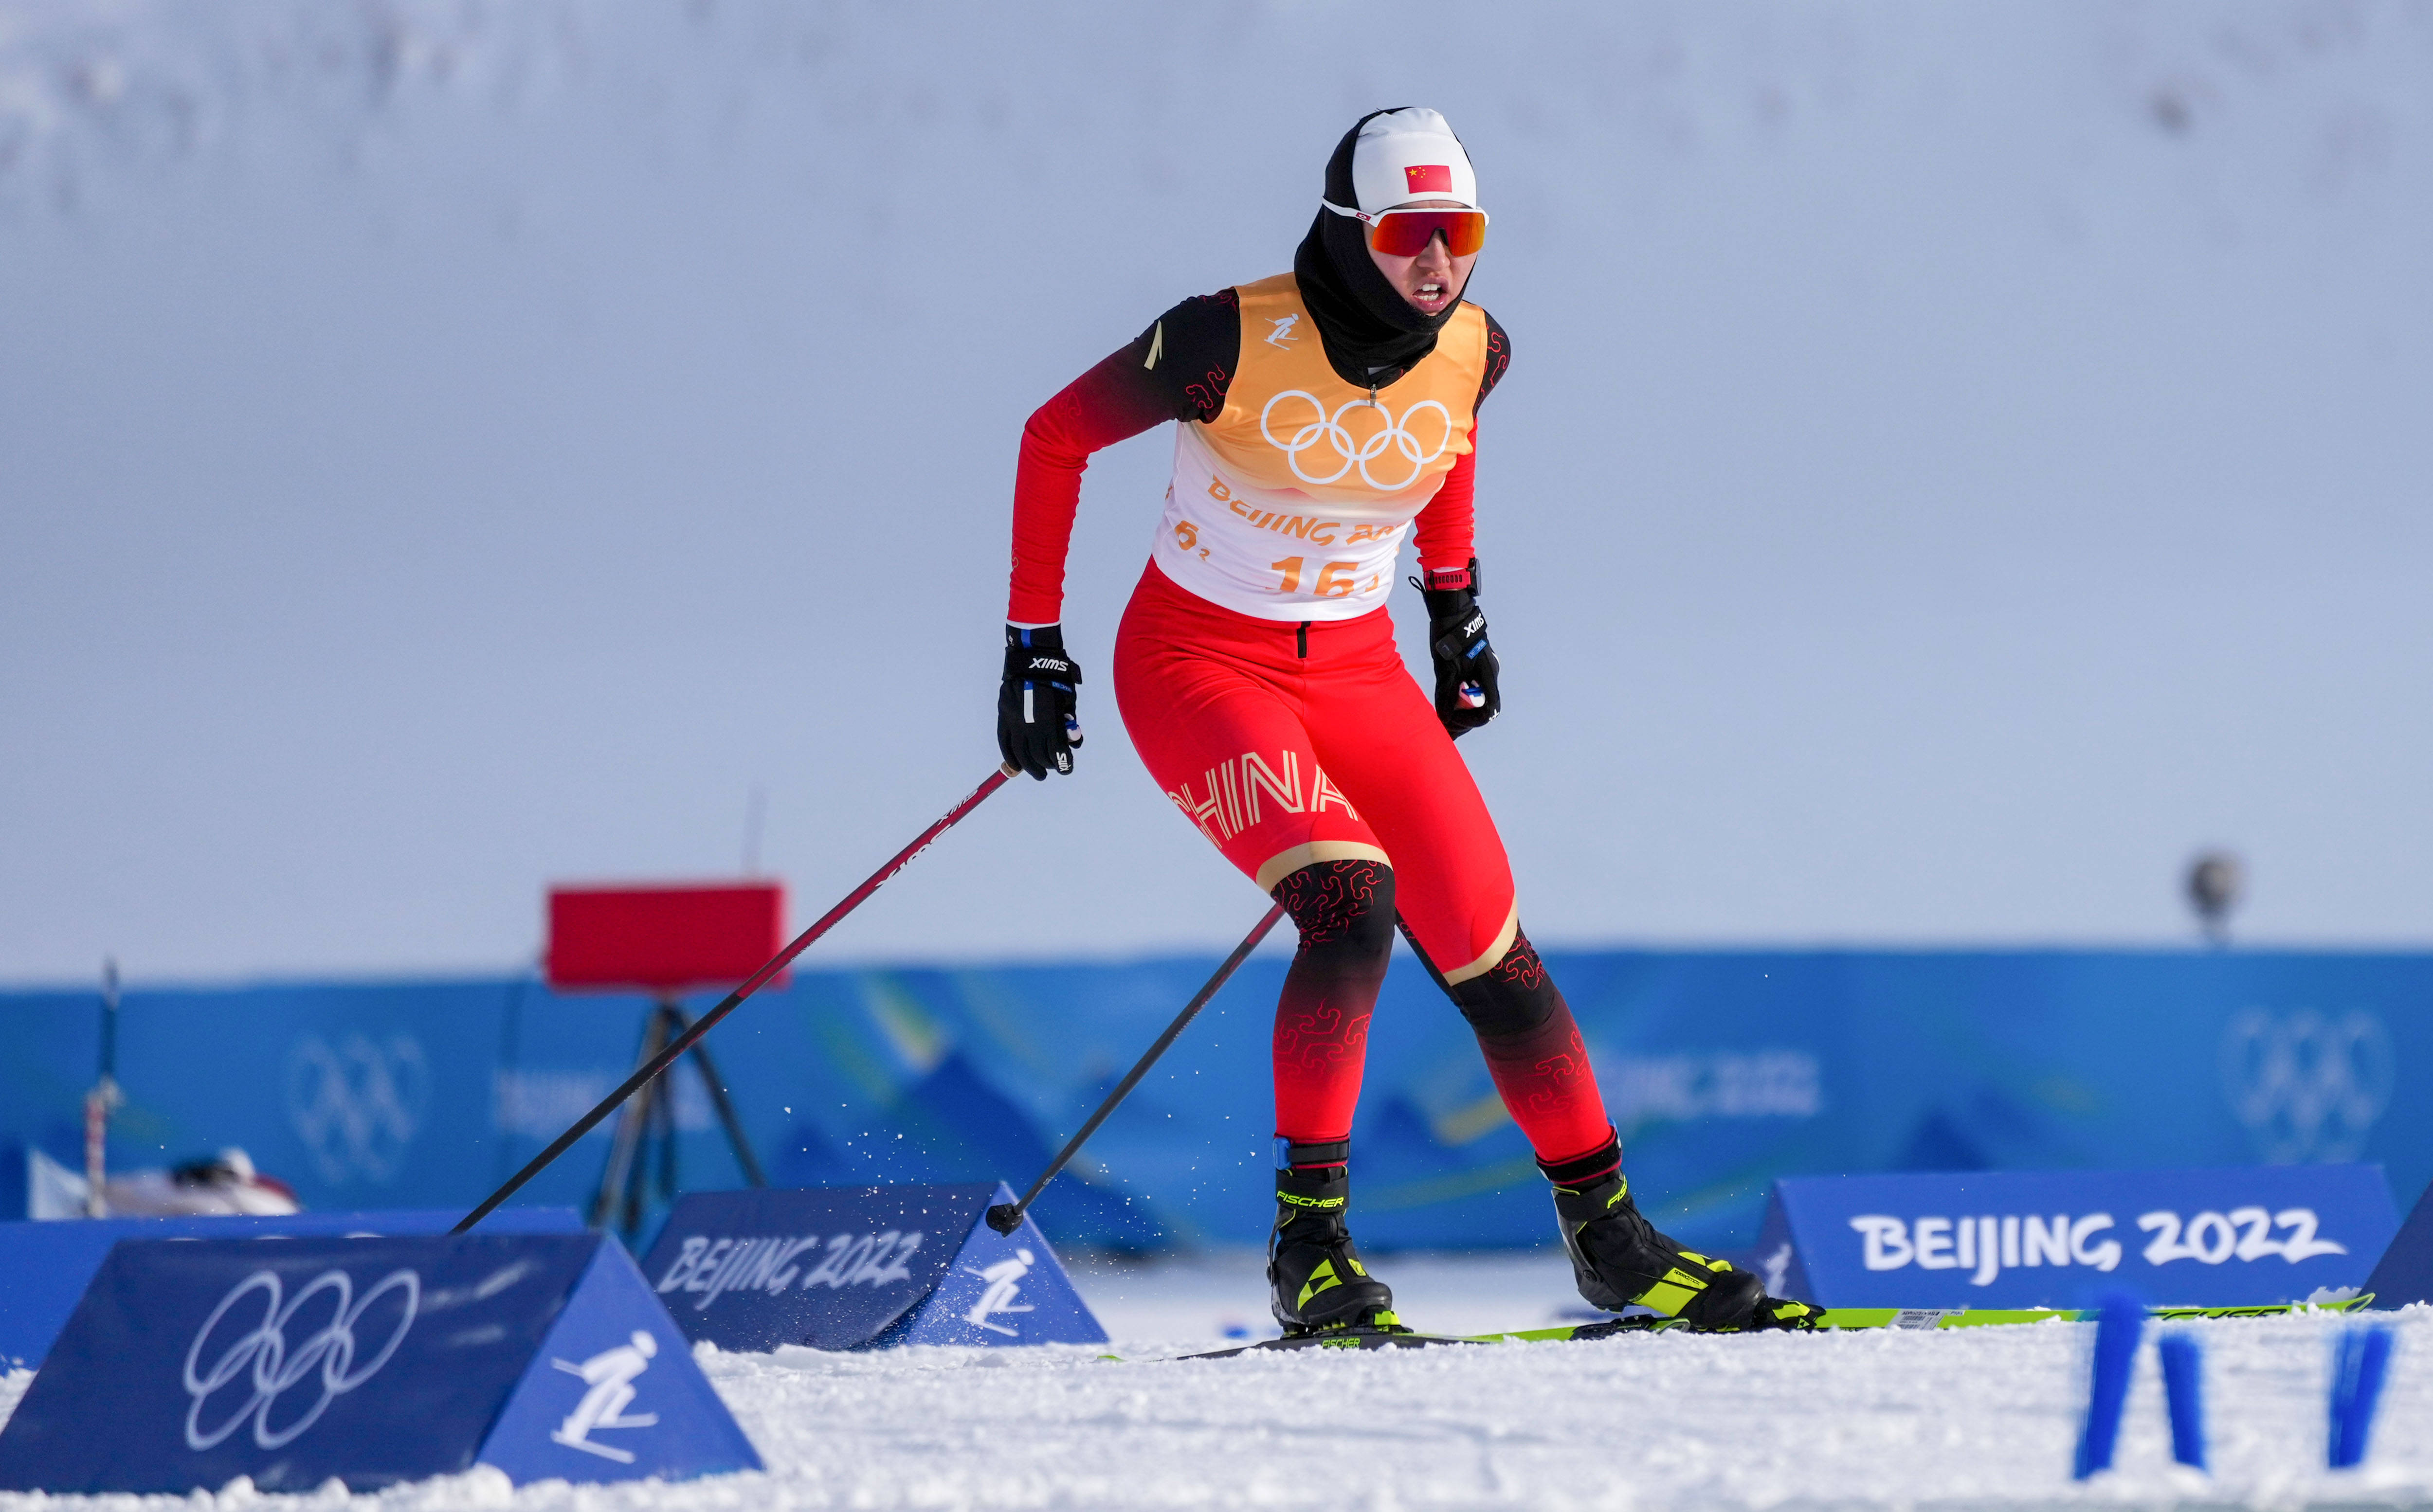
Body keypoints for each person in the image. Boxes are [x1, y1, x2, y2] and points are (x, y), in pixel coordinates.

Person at [996, 108, 1815, 1334]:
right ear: (1346, 231)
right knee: (1350, 903)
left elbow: (1445, 445)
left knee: (1502, 965)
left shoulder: (1475, 347)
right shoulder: (1226, 334)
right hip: (1197, 664)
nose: (1437, 262)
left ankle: (1612, 1238)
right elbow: (1055, 435)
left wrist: (1455, 609)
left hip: (1361, 676)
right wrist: (1032, 640)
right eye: (1405, 234)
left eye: (1460, 232)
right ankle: (1309, 1250)